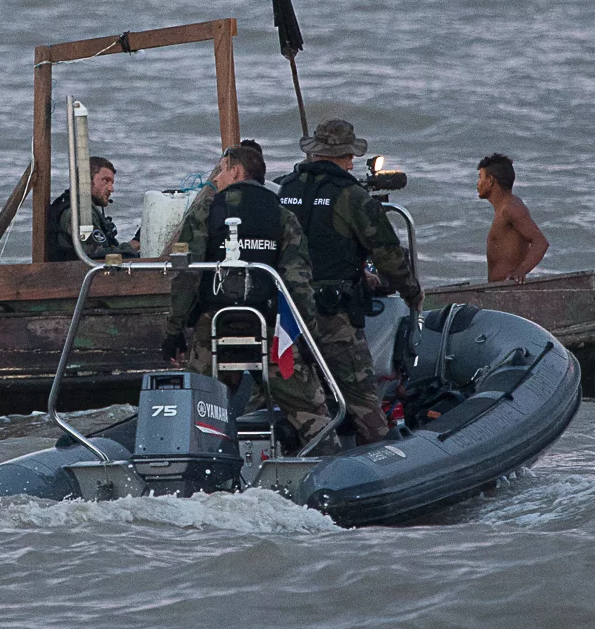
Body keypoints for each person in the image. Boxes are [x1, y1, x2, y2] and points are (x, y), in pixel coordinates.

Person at [160, 142, 332, 447]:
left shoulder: (205, 210)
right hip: (269, 327)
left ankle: (192, 456)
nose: (216, 178)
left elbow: (186, 276)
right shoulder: (282, 216)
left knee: (195, 408)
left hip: (214, 327)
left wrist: (174, 331)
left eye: (221, 170)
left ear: (236, 170)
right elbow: (298, 283)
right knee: (312, 412)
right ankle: (327, 461)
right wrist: (307, 336)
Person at [276, 118, 419, 445]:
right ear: (349, 157)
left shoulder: (286, 189)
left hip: (286, 312)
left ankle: (293, 452)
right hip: (332, 313)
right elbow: (387, 254)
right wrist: (412, 292)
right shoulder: (351, 196)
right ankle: (380, 458)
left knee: (294, 393)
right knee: (361, 397)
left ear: (314, 152)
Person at [45, 155, 140, 262]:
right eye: (105, 181)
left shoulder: (80, 207)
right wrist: (133, 245)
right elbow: (95, 256)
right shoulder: (80, 213)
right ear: (86, 181)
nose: (111, 189)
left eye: (112, 183)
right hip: (77, 271)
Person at [477, 152, 548, 282]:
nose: (478, 183)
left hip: (508, 289)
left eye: (480, 177)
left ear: (490, 180)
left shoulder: (510, 208)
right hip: (498, 289)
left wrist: (521, 271)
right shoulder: (506, 207)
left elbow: (541, 242)